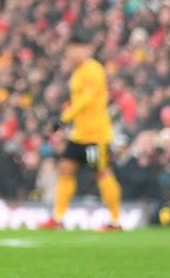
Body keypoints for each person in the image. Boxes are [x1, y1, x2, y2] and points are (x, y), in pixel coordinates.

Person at [39, 29, 123, 231]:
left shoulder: (93, 70)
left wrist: (63, 118)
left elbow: (86, 101)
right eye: (69, 51)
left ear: (84, 50)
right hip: (79, 135)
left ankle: (115, 220)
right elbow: (77, 100)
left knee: (101, 173)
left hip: (95, 136)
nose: (70, 55)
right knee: (66, 170)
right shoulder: (78, 72)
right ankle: (58, 218)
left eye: (74, 50)